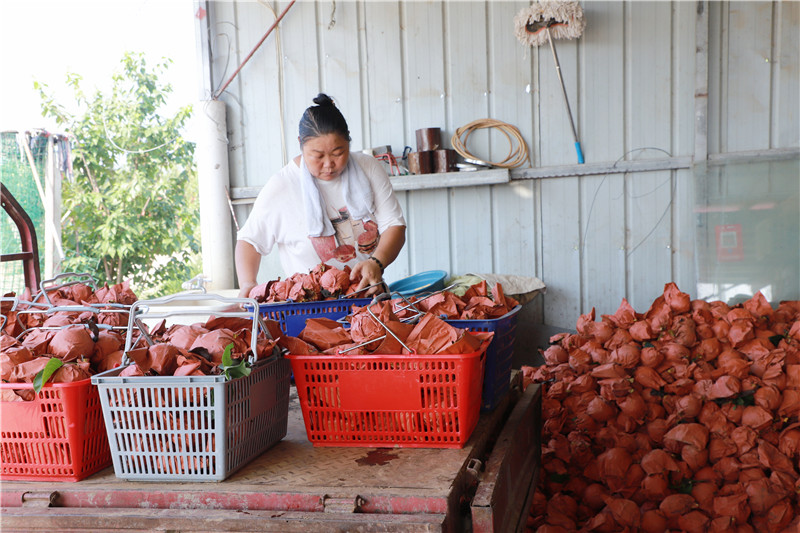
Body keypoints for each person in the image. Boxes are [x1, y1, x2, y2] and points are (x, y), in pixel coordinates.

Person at [235, 93, 406, 299]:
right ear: (300, 144)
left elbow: (394, 225)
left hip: (368, 297)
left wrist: (376, 262)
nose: (328, 164)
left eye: (337, 153)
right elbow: (249, 241)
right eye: (317, 156)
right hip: (308, 306)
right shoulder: (282, 186)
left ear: (348, 141)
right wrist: (247, 283)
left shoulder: (368, 168)